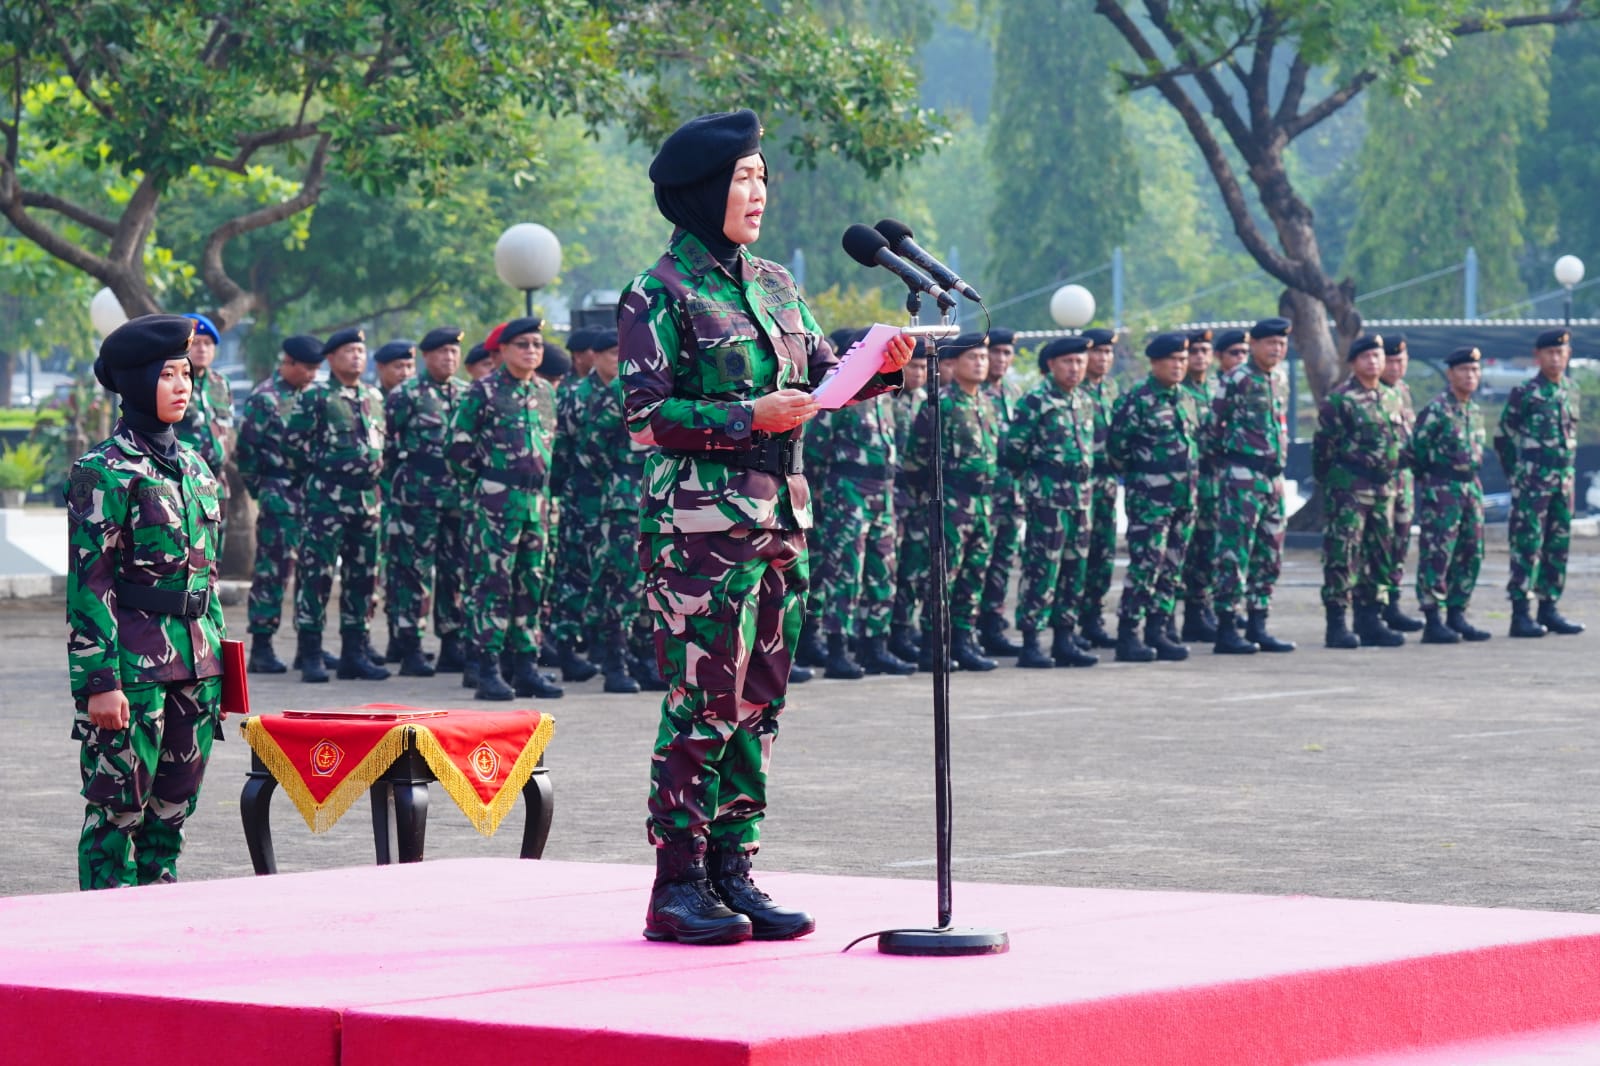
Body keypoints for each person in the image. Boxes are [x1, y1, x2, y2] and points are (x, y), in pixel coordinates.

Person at [619, 109, 910, 945]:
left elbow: (823, 379)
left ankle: (733, 868)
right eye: (743, 179)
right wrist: (749, 413)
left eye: (762, 177)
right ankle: (676, 886)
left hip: (782, 520)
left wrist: (878, 371)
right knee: (703, 704)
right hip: (701, 532)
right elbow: (645, 417)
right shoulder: (660, 292)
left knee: (759, 704)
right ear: (706, 190)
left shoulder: (778, 283)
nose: (758, 192)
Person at [66, 314, 228, 889]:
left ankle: (157, 925)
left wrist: (224, 672)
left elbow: (207, 581)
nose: (182, 385)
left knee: (172, 814)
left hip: (196, 667)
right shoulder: (102, 472)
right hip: (132, 670)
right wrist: (98, 684)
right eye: (167, 374)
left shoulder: (197, 470)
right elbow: (91, 584)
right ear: (135, 382)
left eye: (185, 373)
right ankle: (101, 933)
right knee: (119, 812)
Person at [447, 316, 566, 702]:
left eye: (537, 344)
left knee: (532, 583)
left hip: (537, 502)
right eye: (523, 344)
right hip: (497, 502)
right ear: (503, 351)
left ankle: (526, 666)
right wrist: (484, 490)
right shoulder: (483, 390)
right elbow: (459, 450)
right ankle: (487, 668)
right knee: (491, 584)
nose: (532, 350)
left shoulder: (547, 393)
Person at [282, 327, 391, 682]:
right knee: (317, 576)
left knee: (363, 578)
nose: (356, 356)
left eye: (360, 350)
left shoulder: (373, 396)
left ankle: (354, 653)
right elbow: (293, 447)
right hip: (327, 501)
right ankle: (311, 652)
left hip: (367, 501)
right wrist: (320, 477)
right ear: (330, 358)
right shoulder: (316, 397)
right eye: (348, 351)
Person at [809, 329, 915, 678]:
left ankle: (875, 646)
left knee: (882, 570)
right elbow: (815, 451)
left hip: (882, 491)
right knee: (845, 572)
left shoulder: (885, 394)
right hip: (848, 491)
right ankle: (838, 648)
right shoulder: (841, 393)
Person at [904, 334, 1002, 673]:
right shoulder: (940, 403)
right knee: (943, 576)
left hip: (983, 503)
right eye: (972, 357)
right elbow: (916, 458)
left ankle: (964, 639)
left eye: (983, 357)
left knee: (974, 575)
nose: (980, 363)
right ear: (954, 363)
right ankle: (935, 644)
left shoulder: (987, 402)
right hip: (953, 502)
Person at [1004, 335, 1098, 668]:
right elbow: (1013, 450)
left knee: (1075, 568)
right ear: (1051, 366)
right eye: (1068, 362)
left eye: (1079, 362)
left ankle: (1065, 638)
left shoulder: (1084, 400)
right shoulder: (1036, 401)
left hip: (1080, 498)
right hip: (1048, 498)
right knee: (1042, 568)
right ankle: (1031, 641)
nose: (1075, 368)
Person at [1108, 332, 1201, 663]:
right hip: (1150, 499)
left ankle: (1159, 630)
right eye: (1172, 360)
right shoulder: (1137, 400)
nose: (1179, 366)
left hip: (1183, 499)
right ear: (1155, 363)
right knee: (1147, 565)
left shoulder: (1187, 399)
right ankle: (1129, 633)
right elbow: (1117, 449)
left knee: (1172, 567)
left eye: (1182, 360)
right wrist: (1144, 478)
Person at [1313, 333, 1409, 649]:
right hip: (1350, 491)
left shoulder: (1392, 397)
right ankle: (1337, 622)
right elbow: (1322, 449)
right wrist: (1337, 484)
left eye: (1378, 356)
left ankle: (1371, 619)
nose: (1374, 362)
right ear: (1354, 362)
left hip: (1384, 491)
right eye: (1367, 357)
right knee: (1344, 555)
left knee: (1380, 555)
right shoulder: (1340, 400)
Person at [235, 334, 323, 673]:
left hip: (313, 497)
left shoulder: (315, 397)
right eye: (307, 368)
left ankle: (307, 645)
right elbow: (246, 453)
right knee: (274, 572)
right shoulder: (265, 399)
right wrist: (265, 490)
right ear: (288, 363)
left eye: (317, 369)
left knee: (312, 573)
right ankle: (262, 646)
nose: (313, 375)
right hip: (278, 494)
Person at [383, 327, 467, 677]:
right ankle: (411, 647)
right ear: (427, 357)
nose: (449, 358)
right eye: (442, 352)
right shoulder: (406, 395)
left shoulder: (466, 393)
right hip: (416, 497)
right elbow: (387, 447)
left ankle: (452, 642)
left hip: (456, 498)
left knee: (455, 572)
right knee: (413, 573)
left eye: (453, 351)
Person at [1209, 319, 1295, 655]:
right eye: (1270, 342)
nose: (1276, 349)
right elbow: (1213, 429)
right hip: (1242, 476)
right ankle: (1228, 626)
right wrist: (1231, 467)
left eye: (1281, 343)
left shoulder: (1280, 380)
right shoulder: (1237, 379)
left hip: (1273, 479)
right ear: (1254, 344)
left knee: (1269, 553)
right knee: (1234, 552)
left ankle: (1259, 623)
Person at [1495, 329, 1584, 637]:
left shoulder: (1571, 390)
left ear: (1568, 355)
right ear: (1538, 356)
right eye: (1549, 353)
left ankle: (1549, 609)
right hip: (1533, 481)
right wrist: (1517, 475)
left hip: (1563, 482)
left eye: (1561, 352)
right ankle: (1520, 614)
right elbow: (1504, 436)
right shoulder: (1526, 392)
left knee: (1557, 546)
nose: (1556, 358)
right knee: (1527, 546)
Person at [1411, 347, 1492, 644]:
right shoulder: (1437, 410)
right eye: (1463, 370)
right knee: (1437, 553)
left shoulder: (1474, 410)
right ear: (1450, 374)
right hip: (1443, 488)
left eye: (1474, 370)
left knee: (1471, 552)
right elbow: (1416, 451)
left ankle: (1457, 614)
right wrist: (1432, 481)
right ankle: (1433, 619)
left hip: (1471, 487)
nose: (1470, 376)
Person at [545, 326, 603, 683]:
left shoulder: (622, 393)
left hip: (613, 502)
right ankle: (564, 647)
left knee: (610, 579)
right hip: (578, 499)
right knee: (574, 576)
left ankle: (597, 643)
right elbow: (560, 453)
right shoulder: (569, 395)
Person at [976, 327, 1024, 658]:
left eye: (1008, 354)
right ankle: (969, 629)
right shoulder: (973, 395)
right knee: (976, 564)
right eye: (997, 353)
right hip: (979, 497)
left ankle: (993, 625)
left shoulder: (1013, 392)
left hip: (1010, 494)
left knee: (1002, 563)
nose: (1002, 360)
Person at [174, 313, 233, 560]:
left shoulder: (221, 383)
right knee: (185, 548)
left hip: (217, 481)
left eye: (208, 344)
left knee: (214, 553)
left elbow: (228, 428)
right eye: (196, 343)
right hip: (183, 479)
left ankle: (210, 597)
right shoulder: (175, 380)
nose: (202, 349)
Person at [1377, 334, 1423, 634]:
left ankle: (1392, 604)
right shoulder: (1373, 393)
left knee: (1400, 544)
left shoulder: (1403, 391)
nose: (1395, 367)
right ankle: (1375, 606)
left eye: (1401, 361)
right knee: (1378, 546)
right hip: (1380, 483)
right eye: (1390, 360)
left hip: (1403, 480)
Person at [1079, 327, 1121, 649]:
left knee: (1103, 554)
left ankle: (1093, 618)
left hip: (1106, 483)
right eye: (1098, 352)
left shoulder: (1110, 390)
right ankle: (1070, 623)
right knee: (1076, 556)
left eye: (1108, 353)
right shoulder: (1074, 390)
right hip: (1078, 484)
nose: (1103, 359)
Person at [888, 347, 930, 664]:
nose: (917, 373)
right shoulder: (890, 401)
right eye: (912, 367)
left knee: (914, 566)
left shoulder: (925, 403)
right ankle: (889, 632)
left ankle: (906, 626)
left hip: (915, 496)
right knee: (892, 568)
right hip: (889, 494)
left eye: (921, 367)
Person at [1177, 328, 1219, 643]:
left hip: (1215, 485)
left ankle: (1201, 610)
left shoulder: (1216, 391)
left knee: (1208, 551)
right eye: (1195, 351)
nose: (1200, 357)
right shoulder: (1181, 394)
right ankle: (1180, 615)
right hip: (1186, 483)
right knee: (1185, 553)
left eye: (1206, 351)